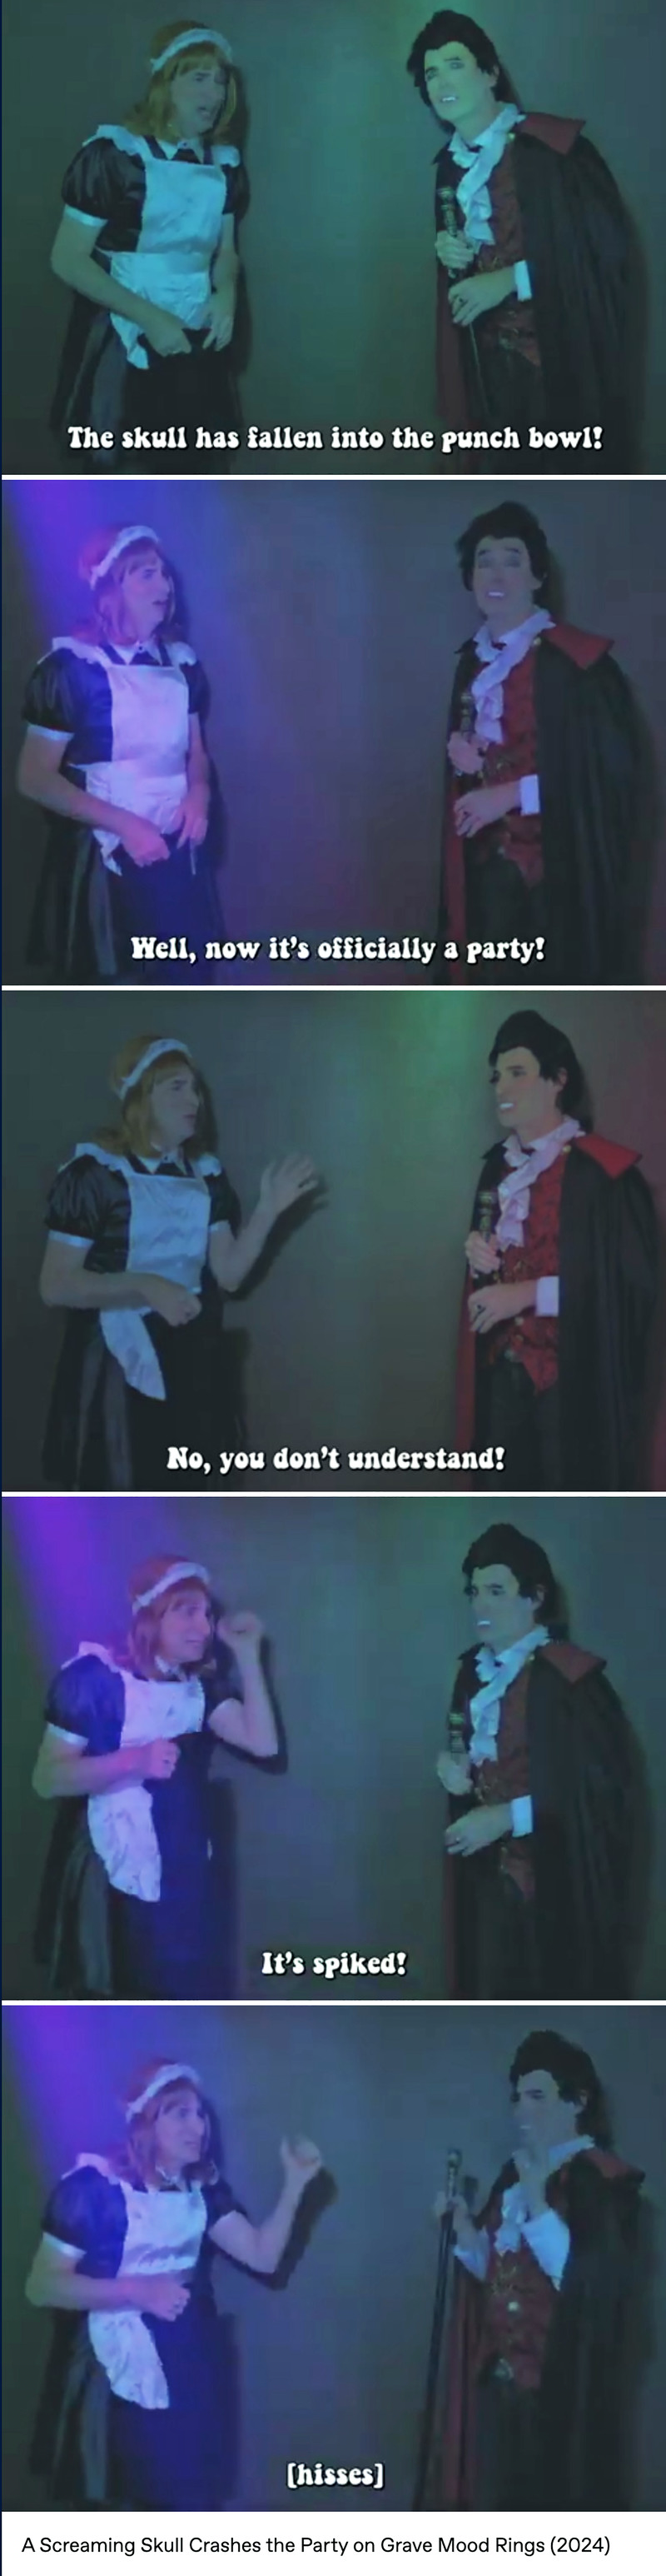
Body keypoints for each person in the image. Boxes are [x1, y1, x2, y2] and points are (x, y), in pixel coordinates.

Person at [26, 2057, 324, 2507]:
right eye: (181, 2113)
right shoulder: (94, 2189)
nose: (198, 2126)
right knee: (111, 2503)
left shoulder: (203, 2192)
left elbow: (263, 2257)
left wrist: (296, 2185)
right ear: (146, 2120)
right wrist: (137, 2291)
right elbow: (43, 2285)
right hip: (110, 2373)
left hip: (183, 2362)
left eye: (200, 2114)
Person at [39, 1032, 320, 1488]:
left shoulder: (205, 1174)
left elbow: (229, 1275)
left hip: (188, 1357)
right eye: (177, 1087)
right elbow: (55, 1285)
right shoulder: (96, 1175)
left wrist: (269, 1208)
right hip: (116, 1364)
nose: (194, 1100)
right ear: (141, 1097)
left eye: (195, 1088)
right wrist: (146, 1286)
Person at [32, 1552, 281, 1997]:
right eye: (187, 1611)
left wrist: (247, 1656)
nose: (204, 1627)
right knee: (115, 1990)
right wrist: (132, 1761)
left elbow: (263, 1744)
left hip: (181, 1868)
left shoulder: (197, 1688)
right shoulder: (94, 1681)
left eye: (206, 1614)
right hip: (108, 1873)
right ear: (151, 1616)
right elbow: (48, 1778)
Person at [406, 11, 635, 468]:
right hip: (487, 374)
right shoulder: (449, 168)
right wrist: (452, 256)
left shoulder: (556, 152)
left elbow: (605, 256)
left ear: (490, 73)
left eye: (455, 64)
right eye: (431, 73)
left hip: (556, 362)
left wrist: (512, 280)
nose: (441, 81)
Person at [436, 2031, 643, 2509]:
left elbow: (585, 2283)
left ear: (577, 2102)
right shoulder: (511, 2177)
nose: (521, 2111)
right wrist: (465, 2227)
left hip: (559, 2396)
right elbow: (496, 2275)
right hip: (498, 2387)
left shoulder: (599, 2180)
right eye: (518, 2098)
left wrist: (537, 2199)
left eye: (537, 2097)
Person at [457, 1009, 658, 1488]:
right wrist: (479, 1257)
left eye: (518, 1073)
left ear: (558, 1080)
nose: (501, 1088)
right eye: (497, 1076)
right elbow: (490, 1272)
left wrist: (527, 1294)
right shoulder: (496, 1169)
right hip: (500, 1379)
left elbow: (625, 1294)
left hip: (572, 1386)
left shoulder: (605, 1177)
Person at [440, 501, 639, 980]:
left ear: (537, 576)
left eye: (512, 561)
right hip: (483, 872)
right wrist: (465, 755)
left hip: (554, 877)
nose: (496, 575)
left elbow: (605, 780)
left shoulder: (580, 668)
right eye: (484, 561)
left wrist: (510, 795)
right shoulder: (472, 662)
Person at [17, 523, 224, 981]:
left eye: (164, 574)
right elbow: (34, 777)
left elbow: (196, 752)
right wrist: (126, 825)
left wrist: (200, 793)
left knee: (182, 979)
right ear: (111, 589)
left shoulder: (181, 663)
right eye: (147, 574)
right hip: (104, 866)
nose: (164, 586)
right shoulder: (72, 670)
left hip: (176, 858)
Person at [436, 1525, 634, 1997]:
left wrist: (507, 1817)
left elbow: (598, 1793)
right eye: (475, 1593)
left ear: (535, 1598)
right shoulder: (471, 1672)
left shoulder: (573, 1682)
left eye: (496, 1592)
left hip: (551, 1884)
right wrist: (452, 1763)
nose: (480, 1606)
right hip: (484, 1881)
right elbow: (464, 1737)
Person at [49, 20, 246, 462]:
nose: (215, 93)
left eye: (220, 81)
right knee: (124, 463)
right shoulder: (114, 156)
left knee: (191, 461)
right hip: (123, 333)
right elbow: (67, 259)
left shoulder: (224, 164)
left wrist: (227, 293)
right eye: (199, 78)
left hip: (196, 331)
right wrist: (151, 319)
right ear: (165, 82)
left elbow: (226, 250)